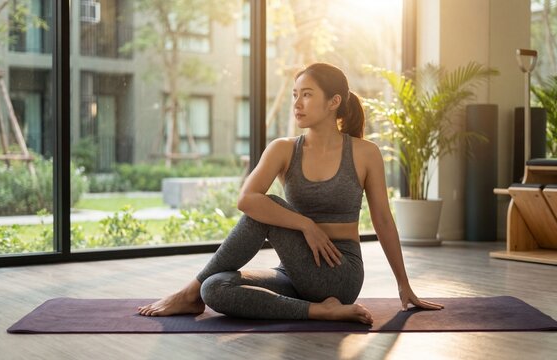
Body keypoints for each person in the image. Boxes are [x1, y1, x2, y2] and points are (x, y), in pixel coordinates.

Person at [138, 63, 443, 324]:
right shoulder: (283, 149)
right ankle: (319, 312)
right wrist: (305, 225)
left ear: (334, 101)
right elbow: (244, 199)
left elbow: (383, 221)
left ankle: (188, 291)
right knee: (215, 287)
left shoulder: (364, 153)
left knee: (265, 205)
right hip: (292, 271)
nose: (297, 103)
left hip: (340, 272)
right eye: (295, 95)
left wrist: (404, 285)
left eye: (307, 95)